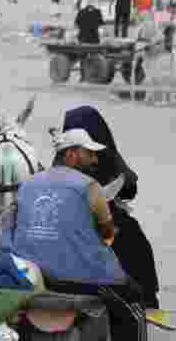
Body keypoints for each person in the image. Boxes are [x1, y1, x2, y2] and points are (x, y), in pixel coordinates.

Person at [11, 128, 159, 341]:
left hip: (28, 270)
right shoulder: (88, 186)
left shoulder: (29, 183)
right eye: (88, 153)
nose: (93, 159)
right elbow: (106, 231)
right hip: (75, 277)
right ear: (71, 154)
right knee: (132, 299)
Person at [62, 106, 162, 314]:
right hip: (84, 214)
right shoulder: (90, 154)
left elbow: (128, 188)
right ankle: (144, 298)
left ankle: (145, 297)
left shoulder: (90, 154)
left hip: (93, 212)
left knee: (130, 235)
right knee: (130, 237)